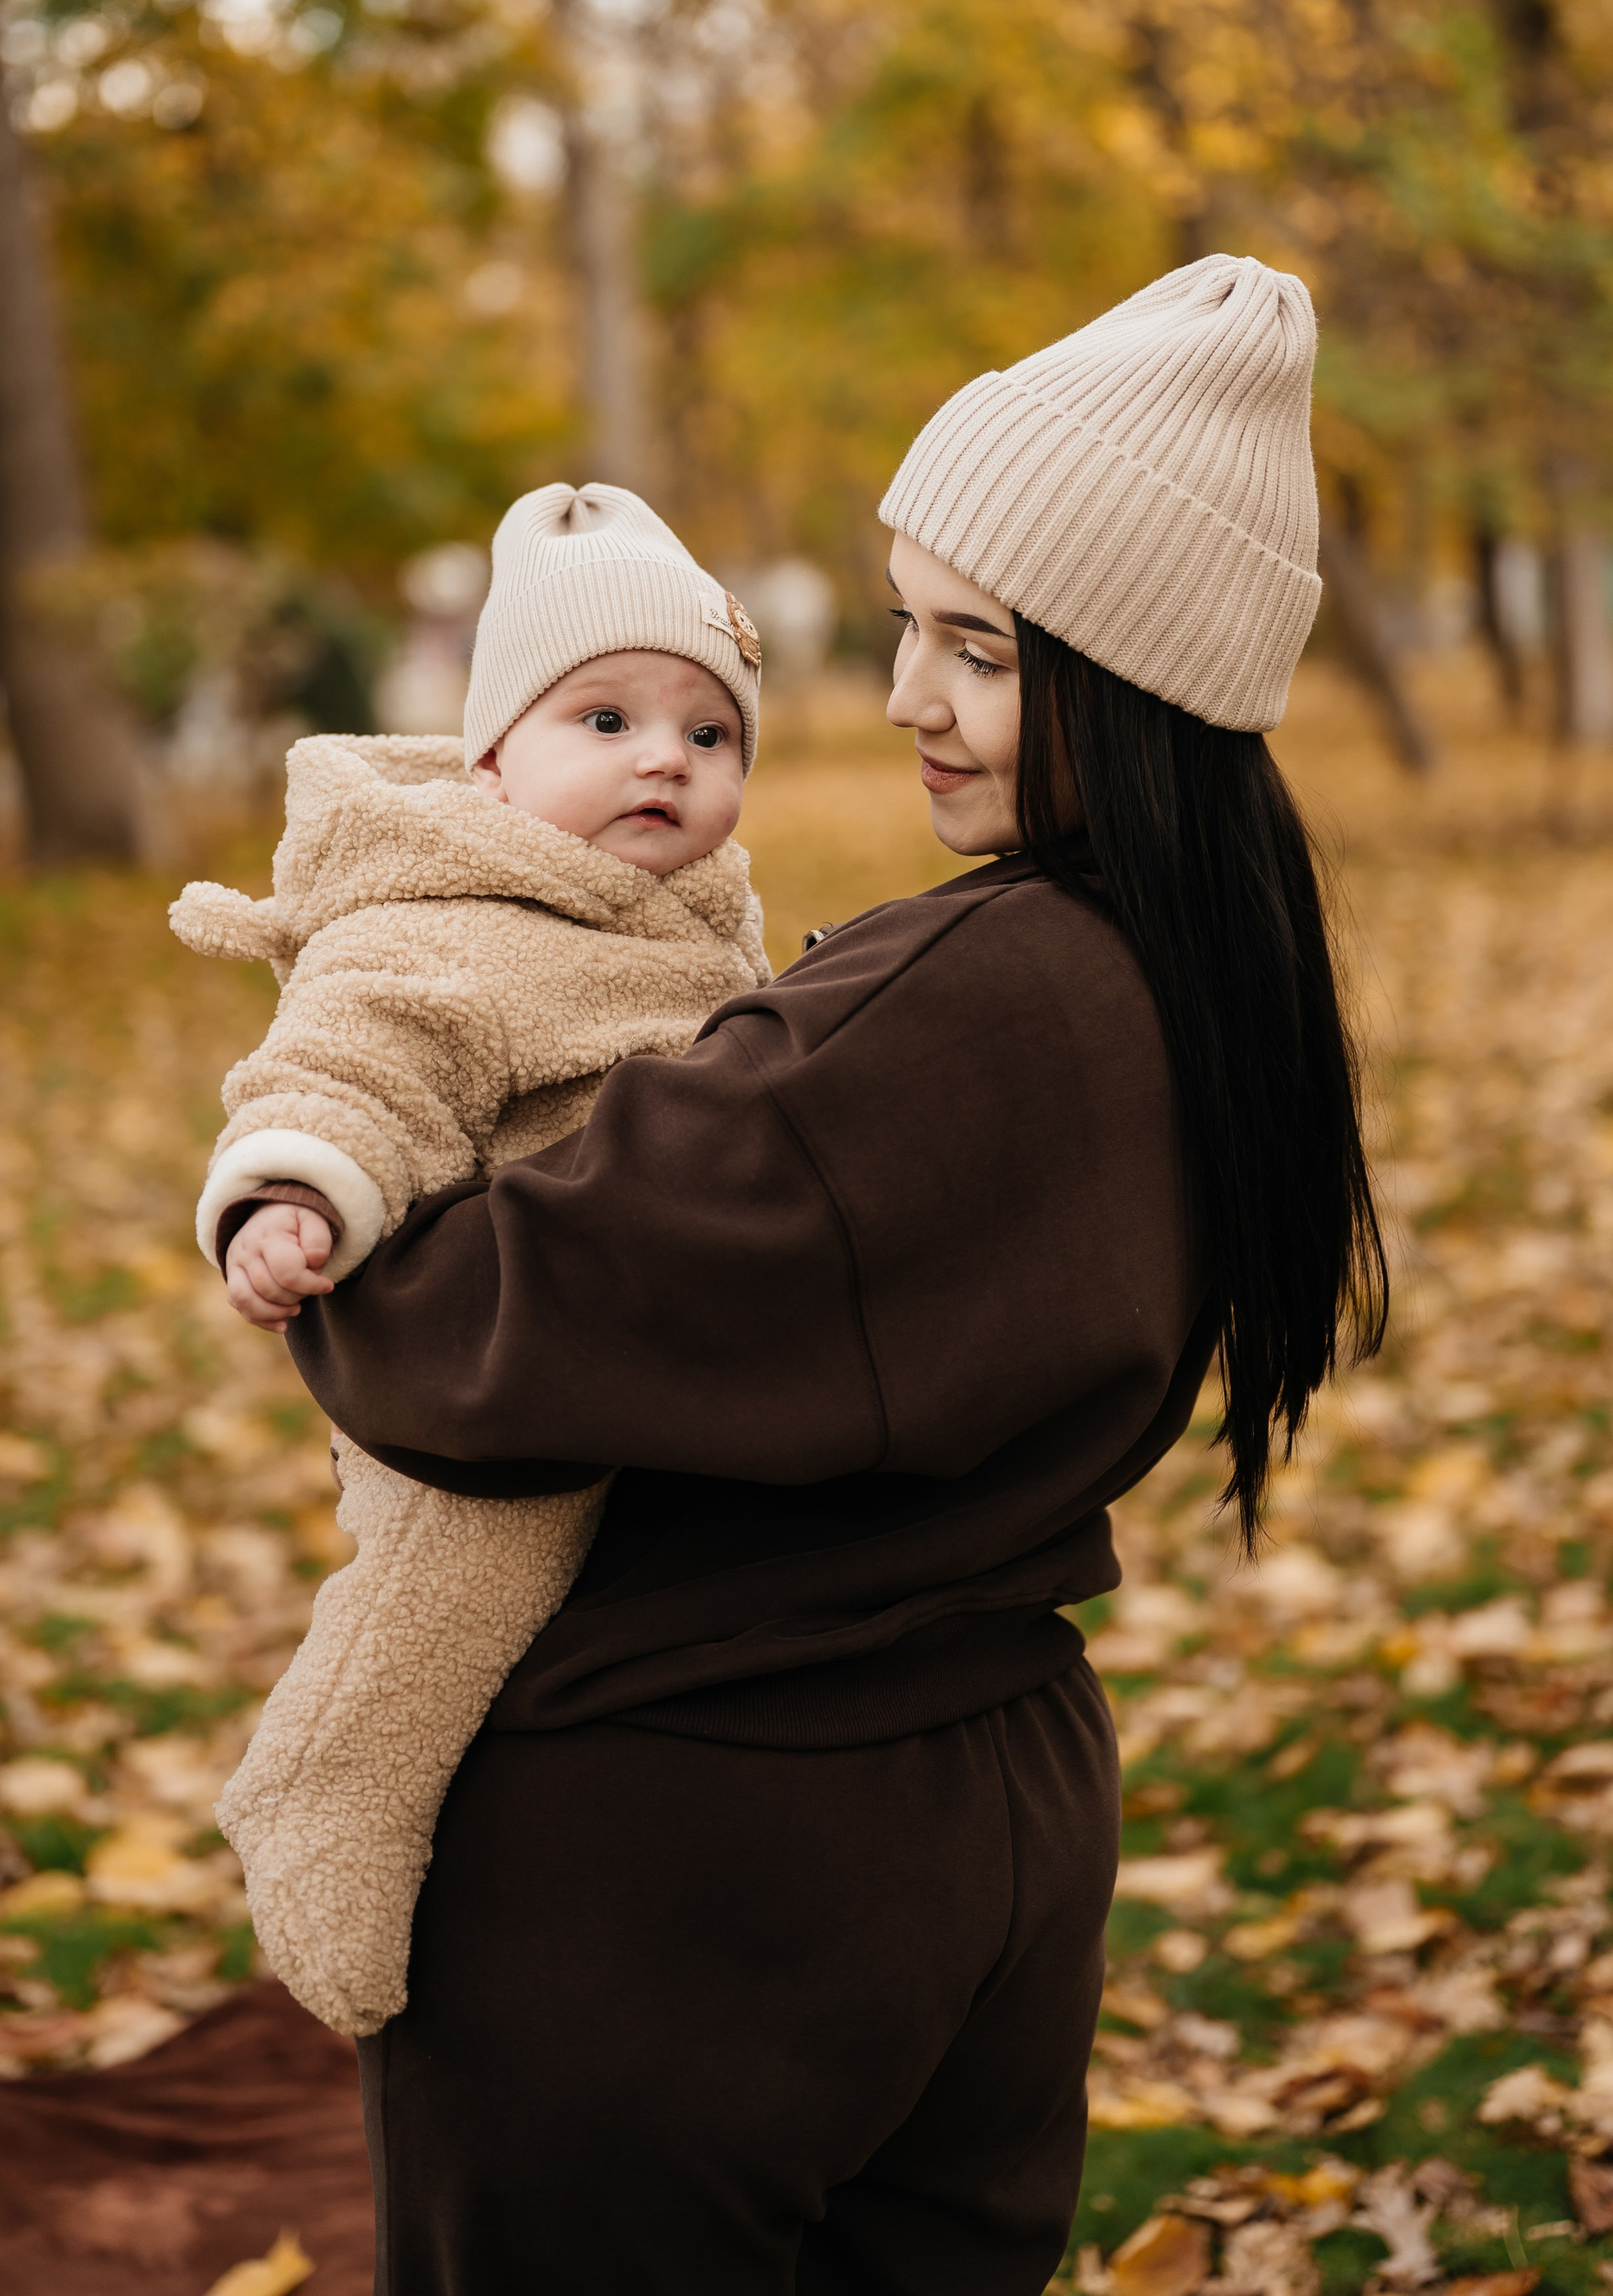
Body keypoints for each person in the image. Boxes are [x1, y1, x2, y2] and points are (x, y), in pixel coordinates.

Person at [222, 255, 1388, 2296]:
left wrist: (343, 1200)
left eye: (984, 651)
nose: (912, 699)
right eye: (904, 628)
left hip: (704, 1860)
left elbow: (451, 1336)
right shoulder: (1218, 983)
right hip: (998, 1805)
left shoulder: (968, 1000)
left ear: (1137, 673)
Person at [173, 481, 769, 2038]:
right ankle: (326, 1788)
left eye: (711, 736)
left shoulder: (693, 922)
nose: (666, 758)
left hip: (626, 1344)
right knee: (463, 1576)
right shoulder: (438, 920)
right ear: (493, 754)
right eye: (608, 718)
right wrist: (292, 1197)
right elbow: (349, 1068)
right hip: (479, 1387)